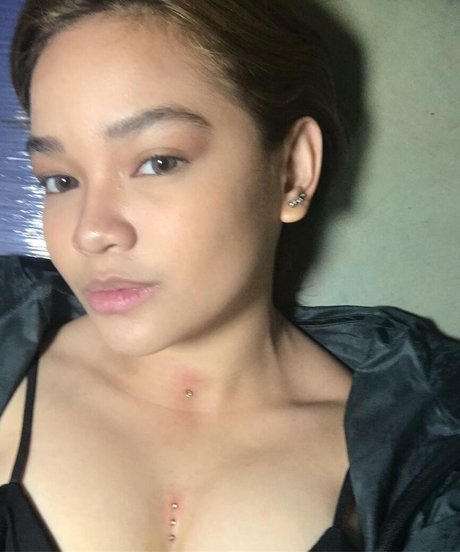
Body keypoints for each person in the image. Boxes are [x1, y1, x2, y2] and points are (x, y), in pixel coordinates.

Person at [0, 1, 459, 550]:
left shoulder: (429, 464)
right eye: (60, 180)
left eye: (158, 162)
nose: (90, 232)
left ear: (292, 169)